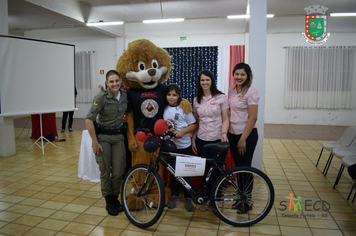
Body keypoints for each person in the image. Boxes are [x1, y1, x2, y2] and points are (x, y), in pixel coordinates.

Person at [85, 70, 127, 216]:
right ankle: (109, 201)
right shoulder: (101, 97)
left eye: (117, 81)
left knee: (118, 171)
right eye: (111, 81)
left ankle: (115, 198)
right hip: (103, 138)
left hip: (118, 138)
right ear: (107, 83)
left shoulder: (125, 96)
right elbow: (89, 120)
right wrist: (95, 143)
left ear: (121, 81)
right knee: (105, 171)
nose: (115, 84)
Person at [192, 70, 229, 211]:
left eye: (207, 80)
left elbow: (226, 119)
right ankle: (207, 198)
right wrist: (194, 139)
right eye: (202, 80)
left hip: (218, 139)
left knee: (216, 171)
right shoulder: (196, 100)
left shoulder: (221, 98)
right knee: (205, 170)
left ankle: (218, 198)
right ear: (199, 82)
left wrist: (224, 133)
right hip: (202, 139)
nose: (205, 82)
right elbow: (197, 121)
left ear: (212, 81)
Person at [228, 62, 259, 214]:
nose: (239, 77)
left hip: (246, 135)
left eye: (242, 74)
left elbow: (253, 118)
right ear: (233, 75)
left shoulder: (251, 92)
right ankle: (240, 198)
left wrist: (242, 139)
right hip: (232, 134)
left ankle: (247, 202)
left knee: (245, 169)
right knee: (238, 169)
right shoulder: (232, 90)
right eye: (237, 74)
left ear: (247, 76)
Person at [163, 84, 197, 212]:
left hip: (184, 146)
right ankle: (175, 196)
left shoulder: (184, 107)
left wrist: (183, 132)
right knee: (173, 173)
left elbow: (193, 125)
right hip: (170, 146)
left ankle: (188, 197)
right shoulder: (164, 108)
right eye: (169, 95)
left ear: (179, 96)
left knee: (186, 172)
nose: (171, 97)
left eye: (174, 95)